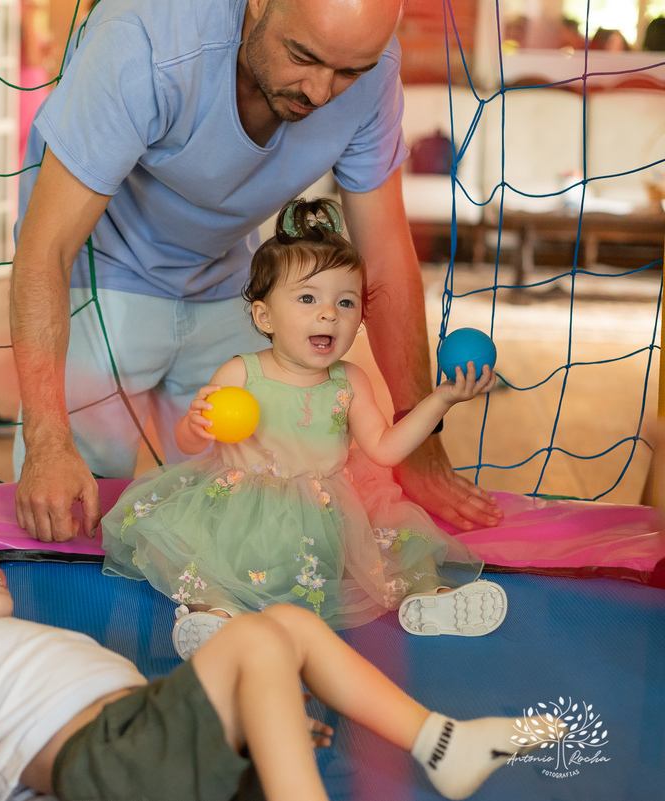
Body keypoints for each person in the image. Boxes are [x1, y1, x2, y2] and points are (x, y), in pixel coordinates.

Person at [10, 0, 505, 545]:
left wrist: (422, 441)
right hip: (99, 272)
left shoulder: (374, 69)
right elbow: (45, 247)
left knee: (243, 514)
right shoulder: (143, 37)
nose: (321, 91)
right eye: (303, 57)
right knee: (70, 515)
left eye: (348, 72)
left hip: (229, 277)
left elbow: (384, 256)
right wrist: (47, 442)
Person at [0, 422, 532, 801]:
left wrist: (254, 715)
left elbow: (150, 714)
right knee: (256, 639)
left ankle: (439, 741)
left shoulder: (24, 644)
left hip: (159, 757)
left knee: (287, 630)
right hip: (106, 760)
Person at [100, 198, 505, 658]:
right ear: (264, 316)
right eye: (308, 298)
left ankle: (430, 599)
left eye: (345, 301)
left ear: (360, 319)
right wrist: (196, 426)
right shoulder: (240, 372)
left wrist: (440, 399)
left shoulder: (350, 381)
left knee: (400, 543)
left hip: (327, 518)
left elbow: (386, 449)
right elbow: (189, 443)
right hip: (242, 515)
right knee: (189, 554)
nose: (329, 313)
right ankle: (213, 614)